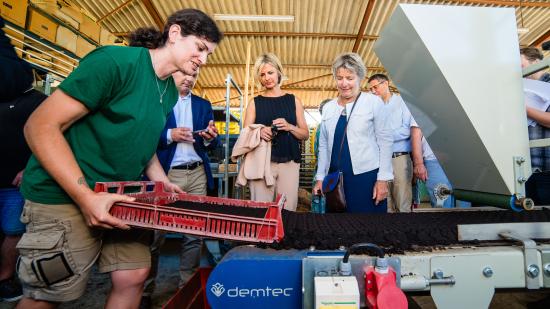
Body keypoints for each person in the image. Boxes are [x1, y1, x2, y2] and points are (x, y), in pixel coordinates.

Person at [16, 9, 222, 309]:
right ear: (174, 34)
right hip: (65, 195)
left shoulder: (165, 87)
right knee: (51, 293)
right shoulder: (114, 63)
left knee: (134, 274)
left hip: (119, 195)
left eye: (208, 54)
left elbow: (143, 139)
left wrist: (162, 181)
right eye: (201, 48)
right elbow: (40, 126)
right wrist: (85, 196)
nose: (203, 60)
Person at [141, 69, 218, 308]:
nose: (188, 79)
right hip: (166, 173)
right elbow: (143, 135)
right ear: (172, 75)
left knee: (194, 235)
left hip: (196, 173)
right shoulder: (158, 100)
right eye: (183, 74)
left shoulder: (203, 105)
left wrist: (209, 136)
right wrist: (169, 134)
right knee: (155, 234)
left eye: (192, 76)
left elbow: (212, 141)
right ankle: (145, 289)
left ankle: (187, 286)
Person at [0, 17, 46, 302]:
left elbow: (50, 140)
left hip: (15, 182)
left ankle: (5, 277)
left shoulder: (37, 102)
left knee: (13, 231)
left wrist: (29, 167)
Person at [313, 53, 393, 213]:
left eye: (350, 78)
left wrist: (383, 179)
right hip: (334, 179)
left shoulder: (373, 102)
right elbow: (323, 146)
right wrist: (320, 178)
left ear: (360, 78)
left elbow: (385, 142)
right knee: (338, 229)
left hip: (366, 178)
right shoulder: (329, 108)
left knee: (368, 227)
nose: (344, 83)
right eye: (339, 78)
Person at [243, 53, 309, 211]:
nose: (266, 78)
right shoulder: (254, 103)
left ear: (279, 72)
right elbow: (244, 134)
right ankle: (261, 237)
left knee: (287, 210)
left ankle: (284, 237)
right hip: (261, 162)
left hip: (289, 163)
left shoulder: (294, 101)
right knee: (261, 210)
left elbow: (305, 134)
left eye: (270, 73)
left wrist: (289, 127)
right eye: (262, 75)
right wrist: (259, 131)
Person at [368, 73, 415, 213]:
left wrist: (382, 136)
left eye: (375, 87)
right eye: (371, 89)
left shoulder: (403, 103)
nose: (373, 91)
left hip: (399, 158)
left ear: (386, 83)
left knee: (402, 202)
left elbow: (406, 131)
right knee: (385, 203)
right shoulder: (373, 107)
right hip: (380, 161)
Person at [311, 99, 331, 213]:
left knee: (319, 196)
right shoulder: (325, 126)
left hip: (320, 167)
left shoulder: (319, 126)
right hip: (326, 168)